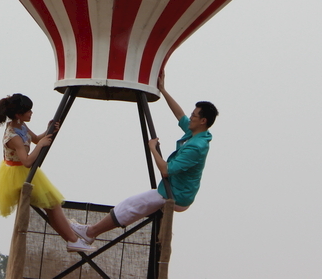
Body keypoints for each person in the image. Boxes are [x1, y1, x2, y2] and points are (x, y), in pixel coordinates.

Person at [70, 72, 217, 244]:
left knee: (132, 206)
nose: (190, 118)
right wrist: (163, 90)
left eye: (194, 116)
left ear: (203, 121)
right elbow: (180, 116)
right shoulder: (197, 134)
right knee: (129, 204)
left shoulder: (196, 146)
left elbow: (165, 170)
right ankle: (89, 232)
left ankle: (90, 233)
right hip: (174, 188)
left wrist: (153, 148)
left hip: (176, 194)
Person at [0, 93, 93, 253]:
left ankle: (72, 237)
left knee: (52, 205)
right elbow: (27, 160)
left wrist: (49, 130)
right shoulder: (13, 136)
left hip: (25, 172)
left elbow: (35, 138)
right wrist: (40, 145)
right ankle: (73, 238)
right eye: (28, 111)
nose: (31, 113)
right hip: (17, 175)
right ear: (18, 114)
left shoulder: (21, 125)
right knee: (52, 204)